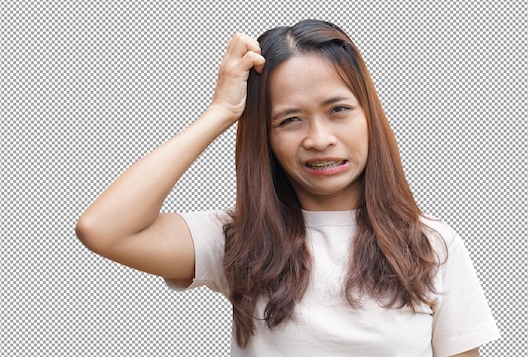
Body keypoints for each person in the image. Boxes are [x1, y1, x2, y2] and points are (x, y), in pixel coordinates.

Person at [76, 19, 500, 357]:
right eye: (290, 119)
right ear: (266, 136)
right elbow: (103, 229)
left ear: (369, 116)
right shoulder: (237, 239)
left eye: (338, 110)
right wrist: (220, 113)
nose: (318, 138)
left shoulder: (431, 245)